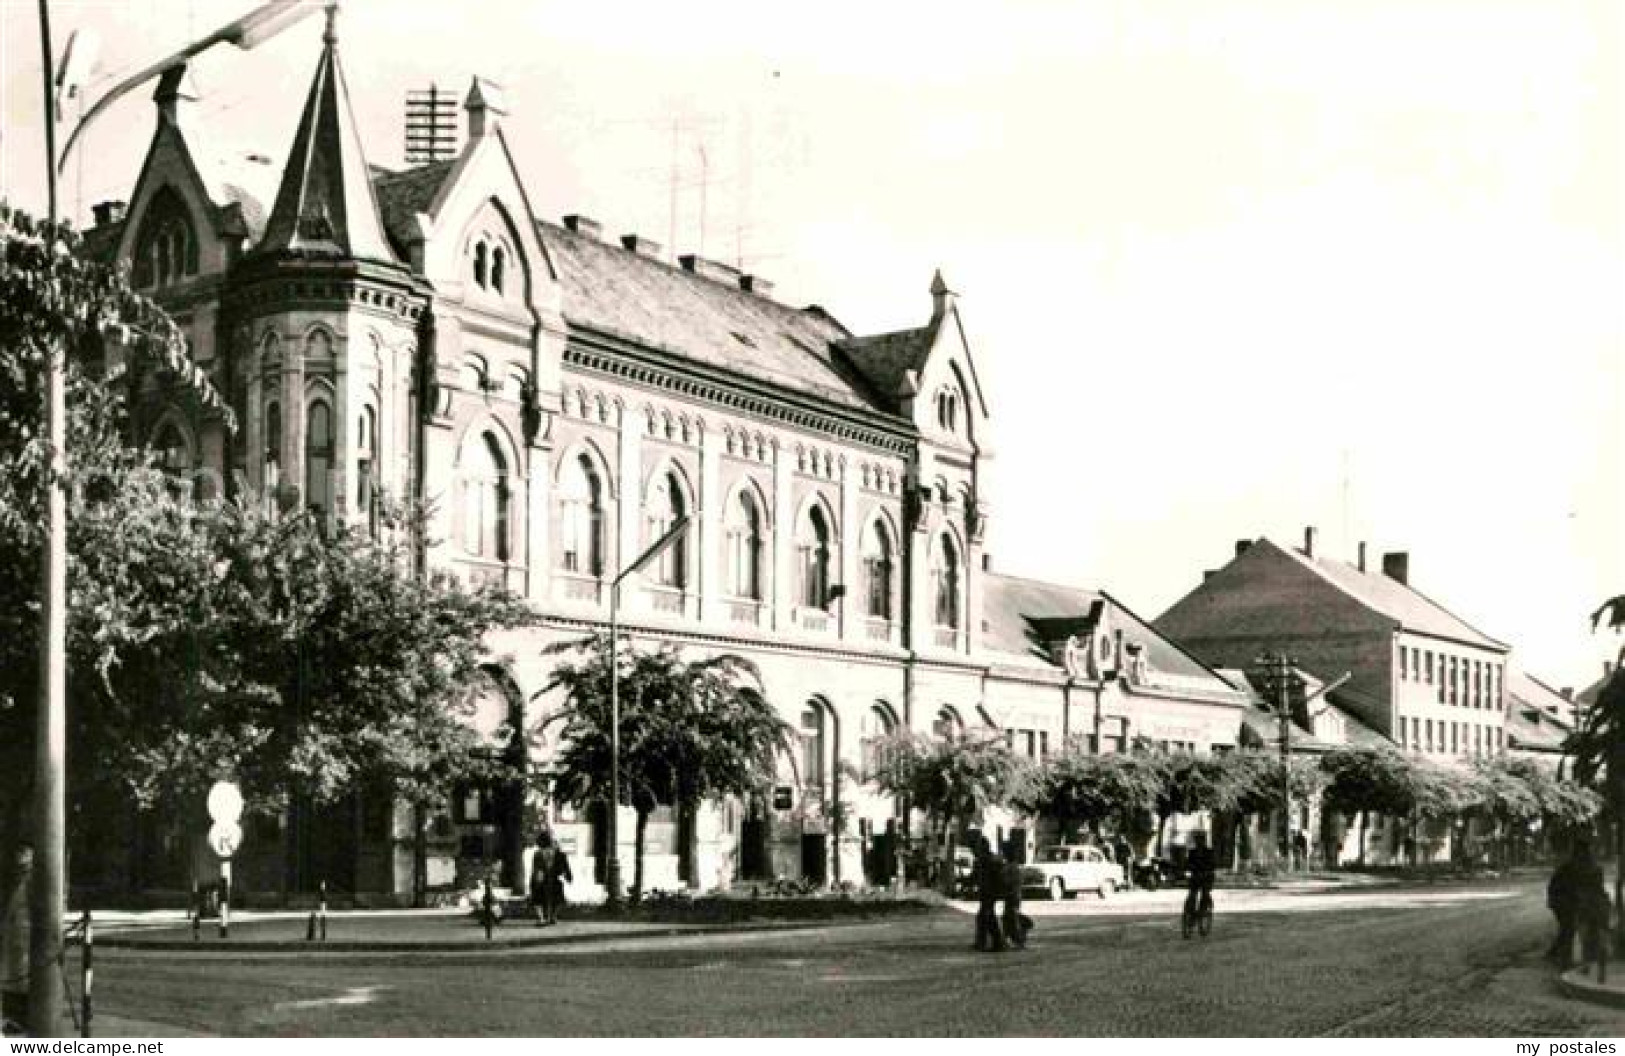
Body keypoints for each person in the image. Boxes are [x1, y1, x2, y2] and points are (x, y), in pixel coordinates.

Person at [529, 830, 572, 927]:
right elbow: (565, 867)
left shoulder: (538, 853)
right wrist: (568, 877)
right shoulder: (558, 853)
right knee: (557, 897)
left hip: (542, 878)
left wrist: (537, 880)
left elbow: (537, 868)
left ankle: (541, 919)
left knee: (537, 899)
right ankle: (553, 917)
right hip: (554, 879)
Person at [971, 835, 1007, 953]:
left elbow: (997, 877)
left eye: (977, 848)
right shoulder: (986, 860)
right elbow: (976, 877)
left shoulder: (988, 861)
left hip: (989, 892)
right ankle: (986, 942)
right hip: (987, 892)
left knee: (986, 917)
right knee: (985, 916)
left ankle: (995, 943)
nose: (975, 851)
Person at [1547, 845, 1580, 967]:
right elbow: (1568, 888)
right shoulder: (1569, 868)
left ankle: (1555, 952)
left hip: (1560, 901)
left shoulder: (1570, 867)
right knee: (1569, 928)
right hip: (1560, 901)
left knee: (1567, 927)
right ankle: (1565, 959)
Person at [1000, 838, 1029, 950]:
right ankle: (1007, 939)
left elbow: (1009, 882)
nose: (1002, 854)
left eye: (1004, 852)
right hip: (1013, 895)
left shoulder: (1011, 867)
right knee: (1008, 918)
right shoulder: (1013, 866)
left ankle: (1019, 940)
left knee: (1011, 918)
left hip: (1012, 896)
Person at [1183, 831, 1217, 925]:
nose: (1199, 842)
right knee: (1192, 894)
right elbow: (1187, 863)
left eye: (1201, 840)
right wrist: (1187, 868)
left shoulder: (1209, 852)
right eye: (1197, 840)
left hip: (1206, 876)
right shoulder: (1192, 852)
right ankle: (1190, 912)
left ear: (1204, 841)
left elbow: (1213, 864)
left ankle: (1203, 910)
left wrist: (1207, 870)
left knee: (1205, 893)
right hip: (1195, 876)